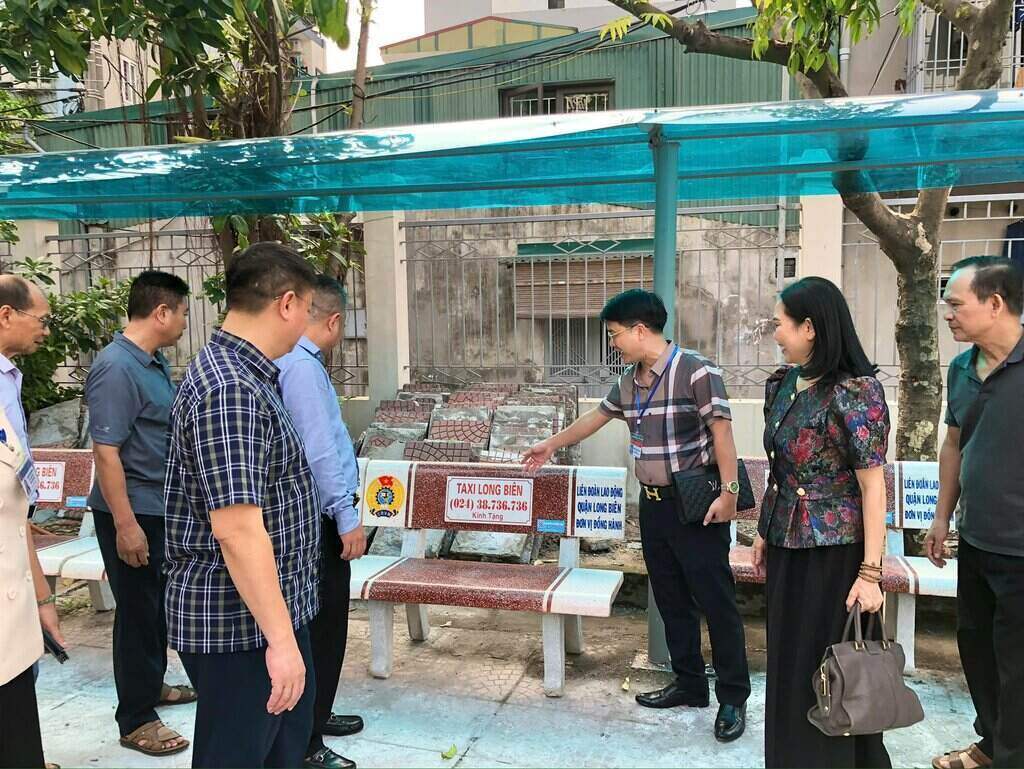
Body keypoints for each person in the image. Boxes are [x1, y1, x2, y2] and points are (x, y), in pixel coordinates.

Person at [524, 288, 750, 742]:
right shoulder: (630, 380)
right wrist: (552, 443)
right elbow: (597, 417)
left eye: (614, 335)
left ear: (640, 329)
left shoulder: (696, 371)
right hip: (653, 505)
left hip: (697, 503)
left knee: (715, 600)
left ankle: (732, 697)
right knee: (669, 597)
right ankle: (690, 684)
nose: (612, 344)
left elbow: (723, 436)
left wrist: (729, 494)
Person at [164, 242, 321, 769]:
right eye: (307, 310)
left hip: (264, 615)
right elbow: (237, 530)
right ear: (286, 303)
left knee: (279, 752)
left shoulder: (247, 376)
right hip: (241, 626)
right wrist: (281, 643)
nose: (306, 323)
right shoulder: (230, 390)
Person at [754, 276, 891, 769]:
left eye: (780, 324)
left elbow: (873, 486)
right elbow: (780, 470)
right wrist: (764, 532)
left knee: (832, 669)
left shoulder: (856, 391)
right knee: (789, 666)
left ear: (810, 327)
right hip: (788, 545)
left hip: (837, 555)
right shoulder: (783, 383)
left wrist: (871, 574)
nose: (775, 333)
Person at [85, 271, 194, 757]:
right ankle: (135, 718)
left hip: (158, 507)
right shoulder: (116, 368)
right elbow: (106, 452)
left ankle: (152, 688)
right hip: (131, 513)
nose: (186, 322)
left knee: (155, 611)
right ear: (162, 312)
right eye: (184, 312)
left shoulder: (151, 363)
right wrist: (126, 526)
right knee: (136, 612)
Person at [926, 256, 1024, 769]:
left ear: (995, 303)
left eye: (956, 304)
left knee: (1018, 664)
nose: (948, 314)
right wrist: (943, 517)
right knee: (978, 651)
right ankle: (991, 744)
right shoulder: (960, 369)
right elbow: (953, 444)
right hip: (977, 541)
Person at [276, 276, 364, 769]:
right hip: (321, 520)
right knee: (324, 627)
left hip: (309, 518)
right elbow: (319, 451)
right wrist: (346, 517)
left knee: (320, 625)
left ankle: (318, 711)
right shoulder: (304, 369)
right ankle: (308, 740)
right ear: (332, 321)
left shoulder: (294, 362)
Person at [0, 275, 64, 769]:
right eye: (40, 320)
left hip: (15, 577)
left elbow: (13, 507)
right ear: (6, 315)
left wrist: (42, 598)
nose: (45, 330)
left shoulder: (9, 377)